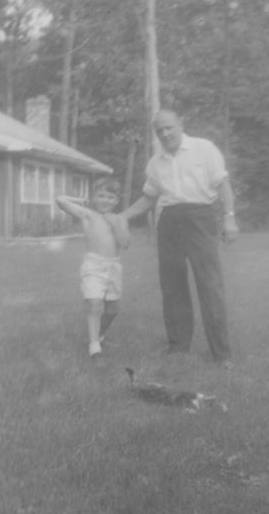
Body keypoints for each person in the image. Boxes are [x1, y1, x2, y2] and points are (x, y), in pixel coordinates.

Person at [123, 109, 239, 367]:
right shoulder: (155, 162)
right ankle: (178, 348)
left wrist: (229, 217)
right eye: (159, 130)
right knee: (172, 286)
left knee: (210, 285)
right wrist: (124, 216)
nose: (165, 133)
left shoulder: (203, 148)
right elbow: (149, 197)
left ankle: (222, 354)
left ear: (180, 125)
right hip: (169, 222)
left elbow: (223, 186)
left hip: (201, 217)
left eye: (169, 128)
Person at [57, 177, 130, 360]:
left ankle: (99, 336)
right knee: (95, 304)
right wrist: (81, 201)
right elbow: (60, 200)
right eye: (101, 195)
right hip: (93, 265)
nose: (105, 200)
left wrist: (115, 226)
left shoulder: (120, 219)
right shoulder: (88, 215)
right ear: (93, 198)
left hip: (113, 266)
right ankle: (94, 348)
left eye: (110, 197)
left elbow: (125, 243)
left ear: (116, 200)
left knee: (113, 309)